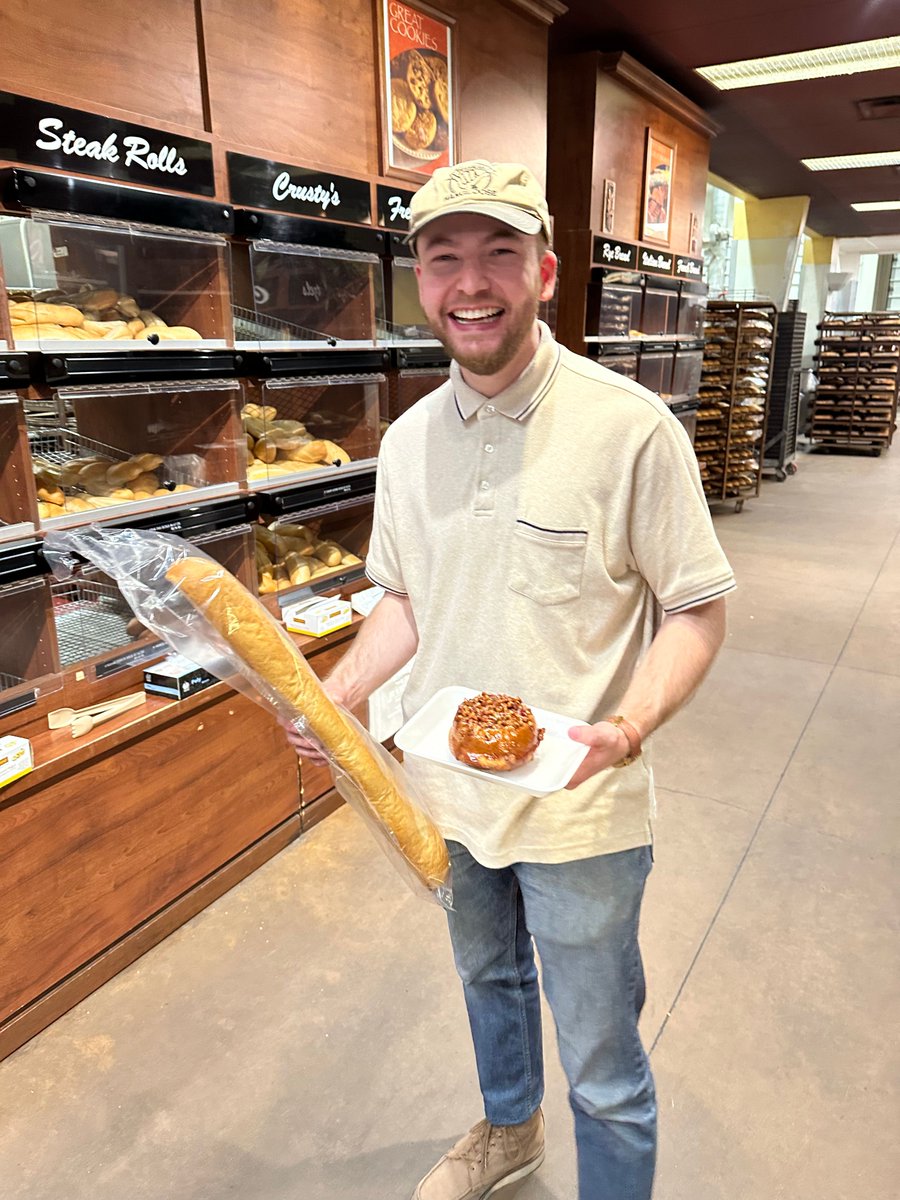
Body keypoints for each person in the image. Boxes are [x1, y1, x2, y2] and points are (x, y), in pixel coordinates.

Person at [285, 159, 735, 1200]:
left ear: (544, 270)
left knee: (602, 1058)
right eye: (444, 259)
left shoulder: (629, 429)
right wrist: (342, 695)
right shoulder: (404, 445)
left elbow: (697, 608)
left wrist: (624, 728)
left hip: (582, 810)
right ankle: (508, 1132)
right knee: (487, 978)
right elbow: (405, 600)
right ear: (421, 282)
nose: (470, 283)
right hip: (447, 792)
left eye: (498, 255)